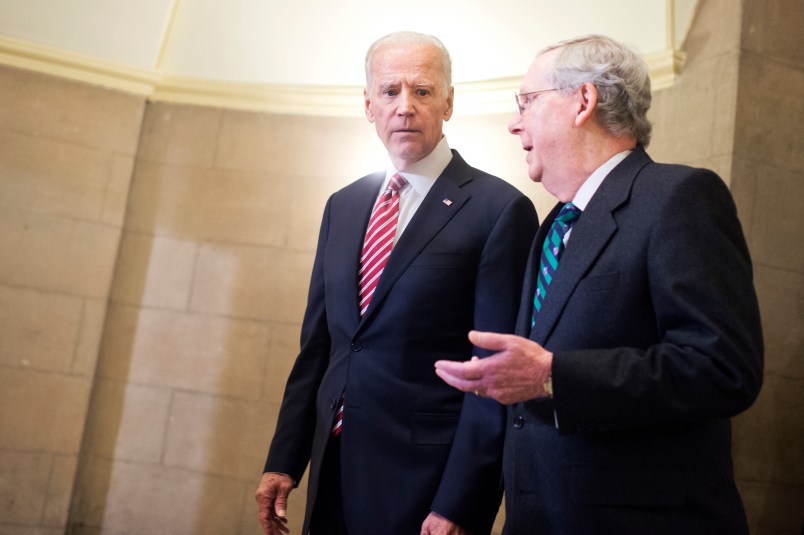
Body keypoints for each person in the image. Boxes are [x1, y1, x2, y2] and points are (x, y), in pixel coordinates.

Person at [435, 34, 763, 534]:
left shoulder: (679, 197)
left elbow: (722, 367)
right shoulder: (553, 225)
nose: (513, 122)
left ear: (583, 101)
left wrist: (553, 378)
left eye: (527, 101)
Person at [256, 31, 538, 535]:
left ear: (448, 103)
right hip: (332, 472)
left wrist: (461, 504)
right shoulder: (342, 205)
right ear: (368, 105)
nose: (404, 107)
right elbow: (320, 349)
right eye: (390, 92)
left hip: (424, 489)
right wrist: (284, 459)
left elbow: (495, 376)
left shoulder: (499, 210)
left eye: (422, 91)